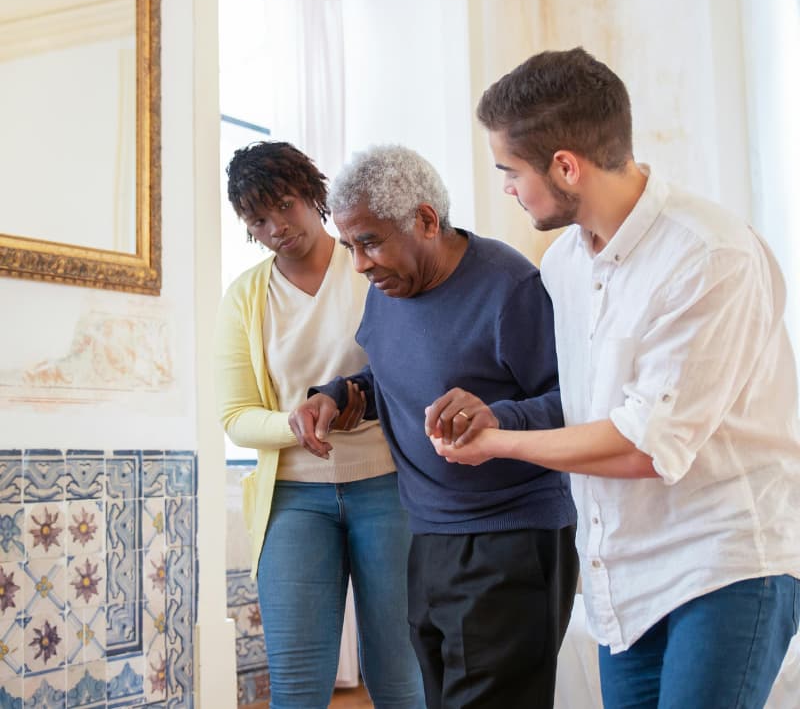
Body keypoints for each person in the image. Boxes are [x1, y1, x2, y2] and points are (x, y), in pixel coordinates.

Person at [429, 47, 800, 708]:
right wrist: (498, 415)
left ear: (566, 165)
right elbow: (583, 411)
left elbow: (642, 445)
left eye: (510, 171)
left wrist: (499, 445)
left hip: (724, 563)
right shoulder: (563, 264)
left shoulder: (708, 254)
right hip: (619, 577)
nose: (508, 189)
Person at [288, 144, 579, 709]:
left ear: (425, 220)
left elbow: (577, 401)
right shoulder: (389, 289)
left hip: (511, 538)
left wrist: (499, 417)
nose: (360, 265)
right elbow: (392, 376)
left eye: (369, 242)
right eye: (350, 246)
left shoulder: (509, 288)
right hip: (426, 536)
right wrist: (338, 396)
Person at [213, 141, 424, 709]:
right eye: (258, 219)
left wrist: (361, 398)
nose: (277, 226)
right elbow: (236, 417)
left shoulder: (369, 267)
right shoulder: (244, 299)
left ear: (313, 195)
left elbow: (416, 367)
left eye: (285, 205)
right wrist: (296, 421)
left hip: (388, 485)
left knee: (401, 675)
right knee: (298, 683)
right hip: (293, 499)